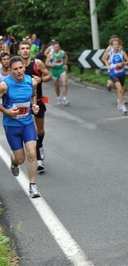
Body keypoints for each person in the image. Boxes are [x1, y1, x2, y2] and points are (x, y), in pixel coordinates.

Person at [0, 56, 41, 198]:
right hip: (12, 125)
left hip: (28, 123)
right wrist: (7, 112)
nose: (19, 71)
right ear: (10, 71)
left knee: (32, 153)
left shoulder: (31, 81)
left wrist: (34, 105)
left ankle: (33, 186)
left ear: (24, 67)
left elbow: (34, 95)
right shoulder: (4, 85)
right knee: (20, 159)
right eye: (15, 69)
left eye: (21, 68)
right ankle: (14, 162)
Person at [18, 41, 51, 173]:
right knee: (29, 130)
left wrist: (40, 79)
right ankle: (37, 158)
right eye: (22, 49)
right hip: (23, 103)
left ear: (29, 51)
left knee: (40, 131)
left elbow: (48, 75)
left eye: (27, 48)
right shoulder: (17, 66)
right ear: (19, 51)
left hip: (38, 100)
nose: (25, 51)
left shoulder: (37, 63)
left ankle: (40, 145)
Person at [101, 37, 128, 114]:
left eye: (117, 44)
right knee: (120, 89)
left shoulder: (122, 52)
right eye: (114, 44)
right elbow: (104, 59)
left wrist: (122, 63)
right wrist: (108, 65)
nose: (116, 46)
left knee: (122, 89)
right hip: (113, 73)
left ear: (119, 45)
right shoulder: (109, 53)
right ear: (112, 46)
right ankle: (123, 106)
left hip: (122, 73)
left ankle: (119, 101)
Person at [45, 41, 70, 105]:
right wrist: (51, 65)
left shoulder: (62, 52)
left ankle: (64, 98)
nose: (57, 48)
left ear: (59, 47)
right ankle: (58, 98)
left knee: (64, 83)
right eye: (55, 47)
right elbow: (46, 63)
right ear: (53, 47)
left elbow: (66, 57)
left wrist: (65, 64)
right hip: (54, 70)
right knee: (56, 86)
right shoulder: (50, 54)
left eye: (58, 47)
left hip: (61, 69)